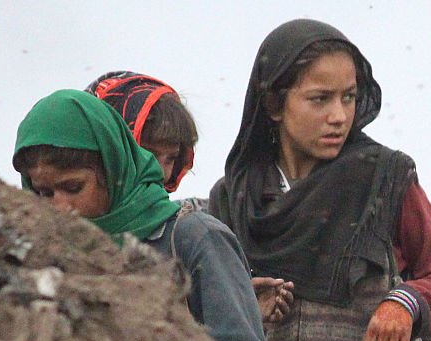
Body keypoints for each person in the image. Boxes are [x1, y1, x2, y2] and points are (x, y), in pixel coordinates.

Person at [208, 19, 431, 341]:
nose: (339, 116)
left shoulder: (385, 179)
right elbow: (205, 310)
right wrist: (243, 303)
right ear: (273, 103)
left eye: (349, 97)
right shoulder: (235, 197)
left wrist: (402, 304)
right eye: (319, 99)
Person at [12, 89, 277, 341]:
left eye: (73, 187)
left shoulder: (194, 239)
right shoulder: (43, 261)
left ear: (113, 171)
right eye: (43, 193)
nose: (58, 207)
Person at [86, 71, 293, 324]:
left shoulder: (190, 232)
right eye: (146, 153)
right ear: (109, 150)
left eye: (171, 158)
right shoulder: (51, 236)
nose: (162, 171)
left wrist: (233, 307)